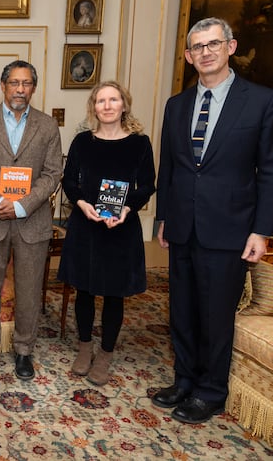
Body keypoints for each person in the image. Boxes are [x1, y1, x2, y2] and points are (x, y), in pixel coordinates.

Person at [153, 17, 273, 424]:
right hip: (182, 226)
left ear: (231, 46)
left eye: (213, 44)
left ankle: (211, 391)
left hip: (230, 229)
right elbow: (170, 169)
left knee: (215, 313)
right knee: (183, 310)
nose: (205, 52)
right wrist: (162, 217)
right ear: (189, 57)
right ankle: (184, 380)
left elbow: (272, 169)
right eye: (197, 47)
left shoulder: (261, 101)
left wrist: (262, 230)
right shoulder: (177, 105)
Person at [0, 60, 62, 381]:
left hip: (32, 222)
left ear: (34, 87)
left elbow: (52, 174)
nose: (20, 89)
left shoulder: (47, 127)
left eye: (27, 83)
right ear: (2, 86)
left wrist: (21, 205)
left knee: (30, 290)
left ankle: (23, 351)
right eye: (15, 83)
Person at [57, 81, 155, 386]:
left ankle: (106, 354)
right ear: (94, 107)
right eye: (101, 101)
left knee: (114, 294)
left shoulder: (139, 143)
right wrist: (82, 203)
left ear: (124, 104)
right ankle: (85, 348)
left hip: (120, 228)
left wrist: (127, 209)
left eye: (114, 100)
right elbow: (69, 180)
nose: (108, 105)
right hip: (86, 224)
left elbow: (147, 185)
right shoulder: (82, 142)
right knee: (84, 289)